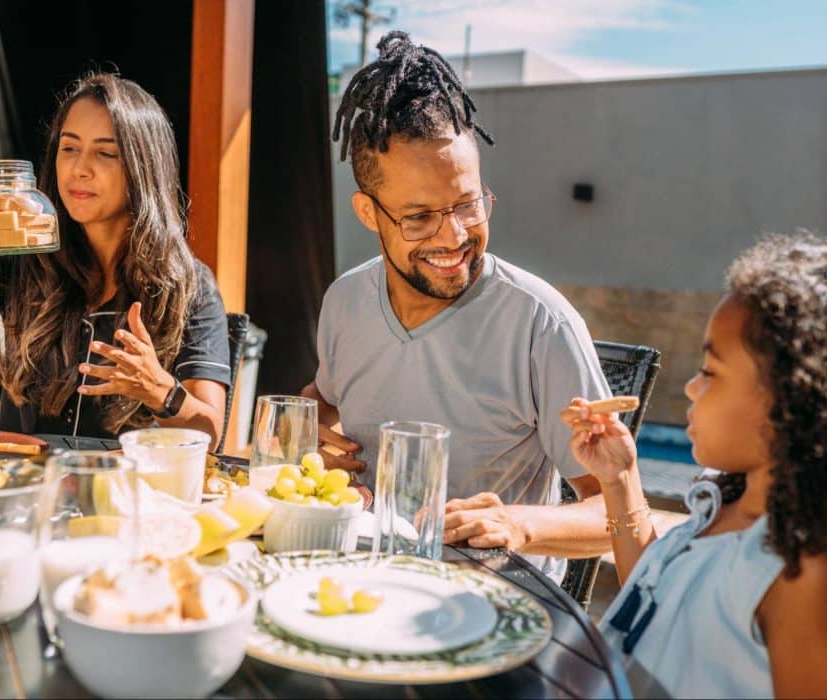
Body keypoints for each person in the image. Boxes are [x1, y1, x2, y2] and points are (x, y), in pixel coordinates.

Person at [301, 31, 613, 577]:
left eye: (468, 204)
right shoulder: (346, 300)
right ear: (368, 213)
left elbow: (617, 509)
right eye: (419, 217)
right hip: (363, 577)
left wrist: (517, 525)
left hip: (496, 599)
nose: (454, 237)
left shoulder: (541, 322)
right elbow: (322, 401)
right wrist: (315, 441)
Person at [0, 73, 230, 444]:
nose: (79, 168)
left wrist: (160, 391)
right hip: (20, 475)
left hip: (121, 480)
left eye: (106, 153)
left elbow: (209, 432)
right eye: (69, 148)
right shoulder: (25, 249)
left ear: (145, 167)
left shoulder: (189, 285)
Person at [561, 234, 827, 697]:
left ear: (790, 400)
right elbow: (655, 599)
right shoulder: (724, 500)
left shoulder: (799, 573)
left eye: (710, 372)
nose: (690, 388)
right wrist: (619, 478)